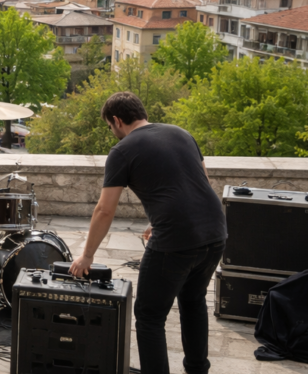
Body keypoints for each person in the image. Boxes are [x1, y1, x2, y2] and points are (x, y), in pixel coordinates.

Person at [69, 92, 226, 374]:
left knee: (149, 316)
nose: (112, 133)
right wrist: (160, 220)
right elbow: (200, 181)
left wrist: (87, 256)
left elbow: (104, 210)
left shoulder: (123, 150)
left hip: (176, 241)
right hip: (215, 231)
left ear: (117, 120)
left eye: (109, 126)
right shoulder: (181, 133)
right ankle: (198, 370)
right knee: (193, 301)